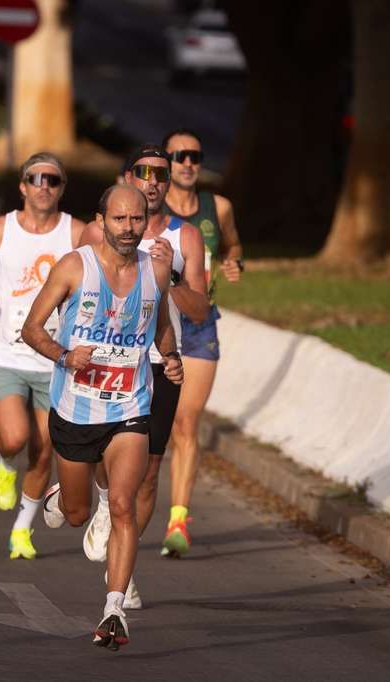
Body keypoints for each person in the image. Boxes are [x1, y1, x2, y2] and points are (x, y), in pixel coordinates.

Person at [22, 184, 182, 650]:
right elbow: (32, 329)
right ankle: (60, 495)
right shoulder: (76, 266)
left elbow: (164, 328)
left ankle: (114, 609)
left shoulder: (156, 272)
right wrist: (66, 356)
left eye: (137, 220)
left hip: (131, 406)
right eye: (119, 220)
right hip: (75, 411)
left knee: (123, 505)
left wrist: (170, 358)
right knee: (76, 516)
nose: (129, 229)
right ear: (102, 220)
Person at [82, 146, 210, 610]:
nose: (154, 180)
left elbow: (199, 310)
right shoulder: (100, 229)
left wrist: (168, 274)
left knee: (150, 472)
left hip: (159, 362)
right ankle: (103, 502)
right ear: (127, 178)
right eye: (145, 172)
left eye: (161, 173)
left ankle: (125, 572)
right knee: (100, 452)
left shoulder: (186, 237)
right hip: (108, 358)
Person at [0, 152, 84, 560]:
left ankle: (21, 529)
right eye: (36, 178)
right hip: (7, 350)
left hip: (53, 359)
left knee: (46, 446)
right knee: (15, 438)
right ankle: (4, 461)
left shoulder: (76, 233)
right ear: (23, 186)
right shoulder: (0, 229)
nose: (44, 186)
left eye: (53, 180)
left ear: (62, 188)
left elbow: (106, 265)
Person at [160, 128, 244, 556]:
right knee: (148, 427)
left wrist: (234, 264)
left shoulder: (218, 207)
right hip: (156, 324)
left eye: (195, 155)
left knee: (186, 423)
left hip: (200, 325)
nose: (188, 163)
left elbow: (231, 246)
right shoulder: (150, 207)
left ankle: (178, 519)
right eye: (179, 156)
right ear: (167, 161)